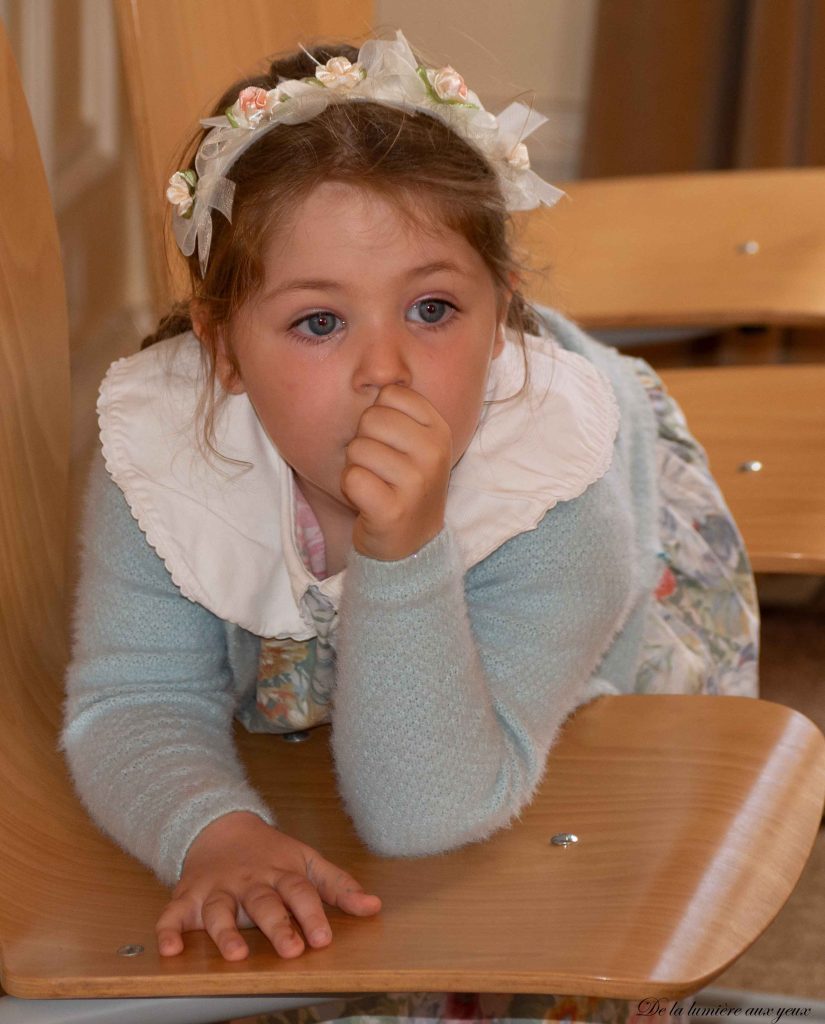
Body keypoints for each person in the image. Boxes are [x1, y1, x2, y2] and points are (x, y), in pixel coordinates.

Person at [62, 29, 758, 1023]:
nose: (383, 370)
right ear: (221, 348)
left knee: (562, 898)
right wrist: (211, 828)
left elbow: (427, 814)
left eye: (433, 308)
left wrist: (402, 550)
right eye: (318, 322)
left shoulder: (554, 493)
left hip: (563, 653)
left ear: (503, 311)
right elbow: (130, 697)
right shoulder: (167, 451)